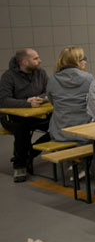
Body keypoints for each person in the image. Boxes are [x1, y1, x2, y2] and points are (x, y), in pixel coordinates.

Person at [0, 48, 50, 182]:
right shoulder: (8, 77)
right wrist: (26, 103)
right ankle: (19, 165)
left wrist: (38, 99)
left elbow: (49, 92)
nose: (40, 61)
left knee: (57, 125)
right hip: (12, 118)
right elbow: (3, 100)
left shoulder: (41, 73)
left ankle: (31, 153)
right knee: (22, 130)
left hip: (35, 115)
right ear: (24, 61)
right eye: (35, 59)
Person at [47, 46, 94, 143]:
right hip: (84, 132)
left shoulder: (53, 79)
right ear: (77, 61)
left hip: (60, 132)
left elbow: (52, 101)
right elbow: (93, 103)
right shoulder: (89, 78)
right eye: (83, 59)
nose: (85, 61)